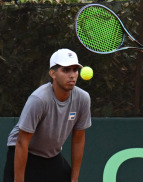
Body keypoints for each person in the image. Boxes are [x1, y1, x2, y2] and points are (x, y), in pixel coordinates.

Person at [3, 48, 92, 182]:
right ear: (52, 73)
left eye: (75, 69)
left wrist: (74, 179)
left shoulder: (83, 98)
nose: (72, 75)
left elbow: (78, 139)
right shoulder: (39, 99)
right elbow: (22, 142)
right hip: (24, 152)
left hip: (51, 156)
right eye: (66, 70)